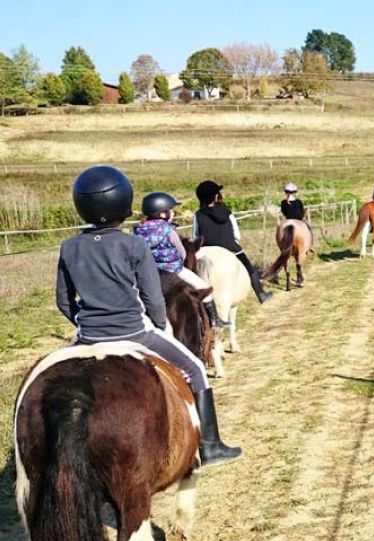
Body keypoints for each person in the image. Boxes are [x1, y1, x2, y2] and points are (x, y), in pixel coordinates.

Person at [56, 166, 242, 467]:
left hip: (87, 335)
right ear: (122, 206)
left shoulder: (69, 247)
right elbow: (154, 299)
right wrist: (159, 325)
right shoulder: (133, 244)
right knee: (194, 368)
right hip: (134, 332)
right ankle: (210, 446)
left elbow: (63, 302)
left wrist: (85, 323)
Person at [133, 192, 230, 328]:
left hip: (147, 273)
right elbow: (182, 253)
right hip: (173, 270)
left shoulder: (138, 230)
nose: (172, 213)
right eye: (170, 210)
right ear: (162, 214)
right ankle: (214, 321)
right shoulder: (169, 230)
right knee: (203, 287)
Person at [193, 180, 272, 304]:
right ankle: (261, 294)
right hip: (230, 248)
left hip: (206, 248)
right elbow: (236, 234)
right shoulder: (226, 211)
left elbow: (195, 236)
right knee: (249, 268)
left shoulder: (198, 214)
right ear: (215, 196)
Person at [281, 182, 313, 247]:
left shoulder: (283, 202)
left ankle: (282, 246)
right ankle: (310, 245)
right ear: (294, 193)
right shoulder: (299, 201)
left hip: (288, 220)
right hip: (299, 219)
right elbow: (301, 211)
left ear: (286, 192)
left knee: (280, 230)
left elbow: (283, 212)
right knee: (309, 228)